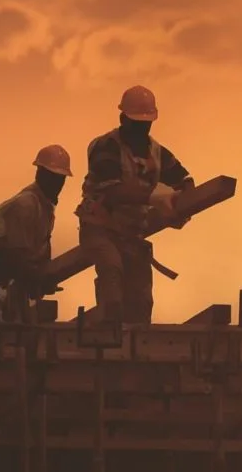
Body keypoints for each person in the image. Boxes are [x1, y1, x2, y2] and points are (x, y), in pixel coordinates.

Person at [73, 85, 195, 325]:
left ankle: (136, 347)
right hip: (100, 228)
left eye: (145, 123)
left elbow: (184, 179)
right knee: (112, 272)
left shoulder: (157, 153)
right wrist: (155, 198)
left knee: (141, 300)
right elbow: (114, 191)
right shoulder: (105, 147)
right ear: (123, 119)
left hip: (131, 233)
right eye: (136, 123)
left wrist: (184, 205)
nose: (141, 129)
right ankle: (108, 336)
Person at [0, 144, 72, 317]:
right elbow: (16, 254)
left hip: (11, 277)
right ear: (40, 174)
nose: (58, 184)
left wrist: (42, 277)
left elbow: (32, 254)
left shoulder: (44, 207)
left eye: (60, 179)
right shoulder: (26, 204)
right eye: (53, 177)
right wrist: (38, 279)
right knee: (1, 327)